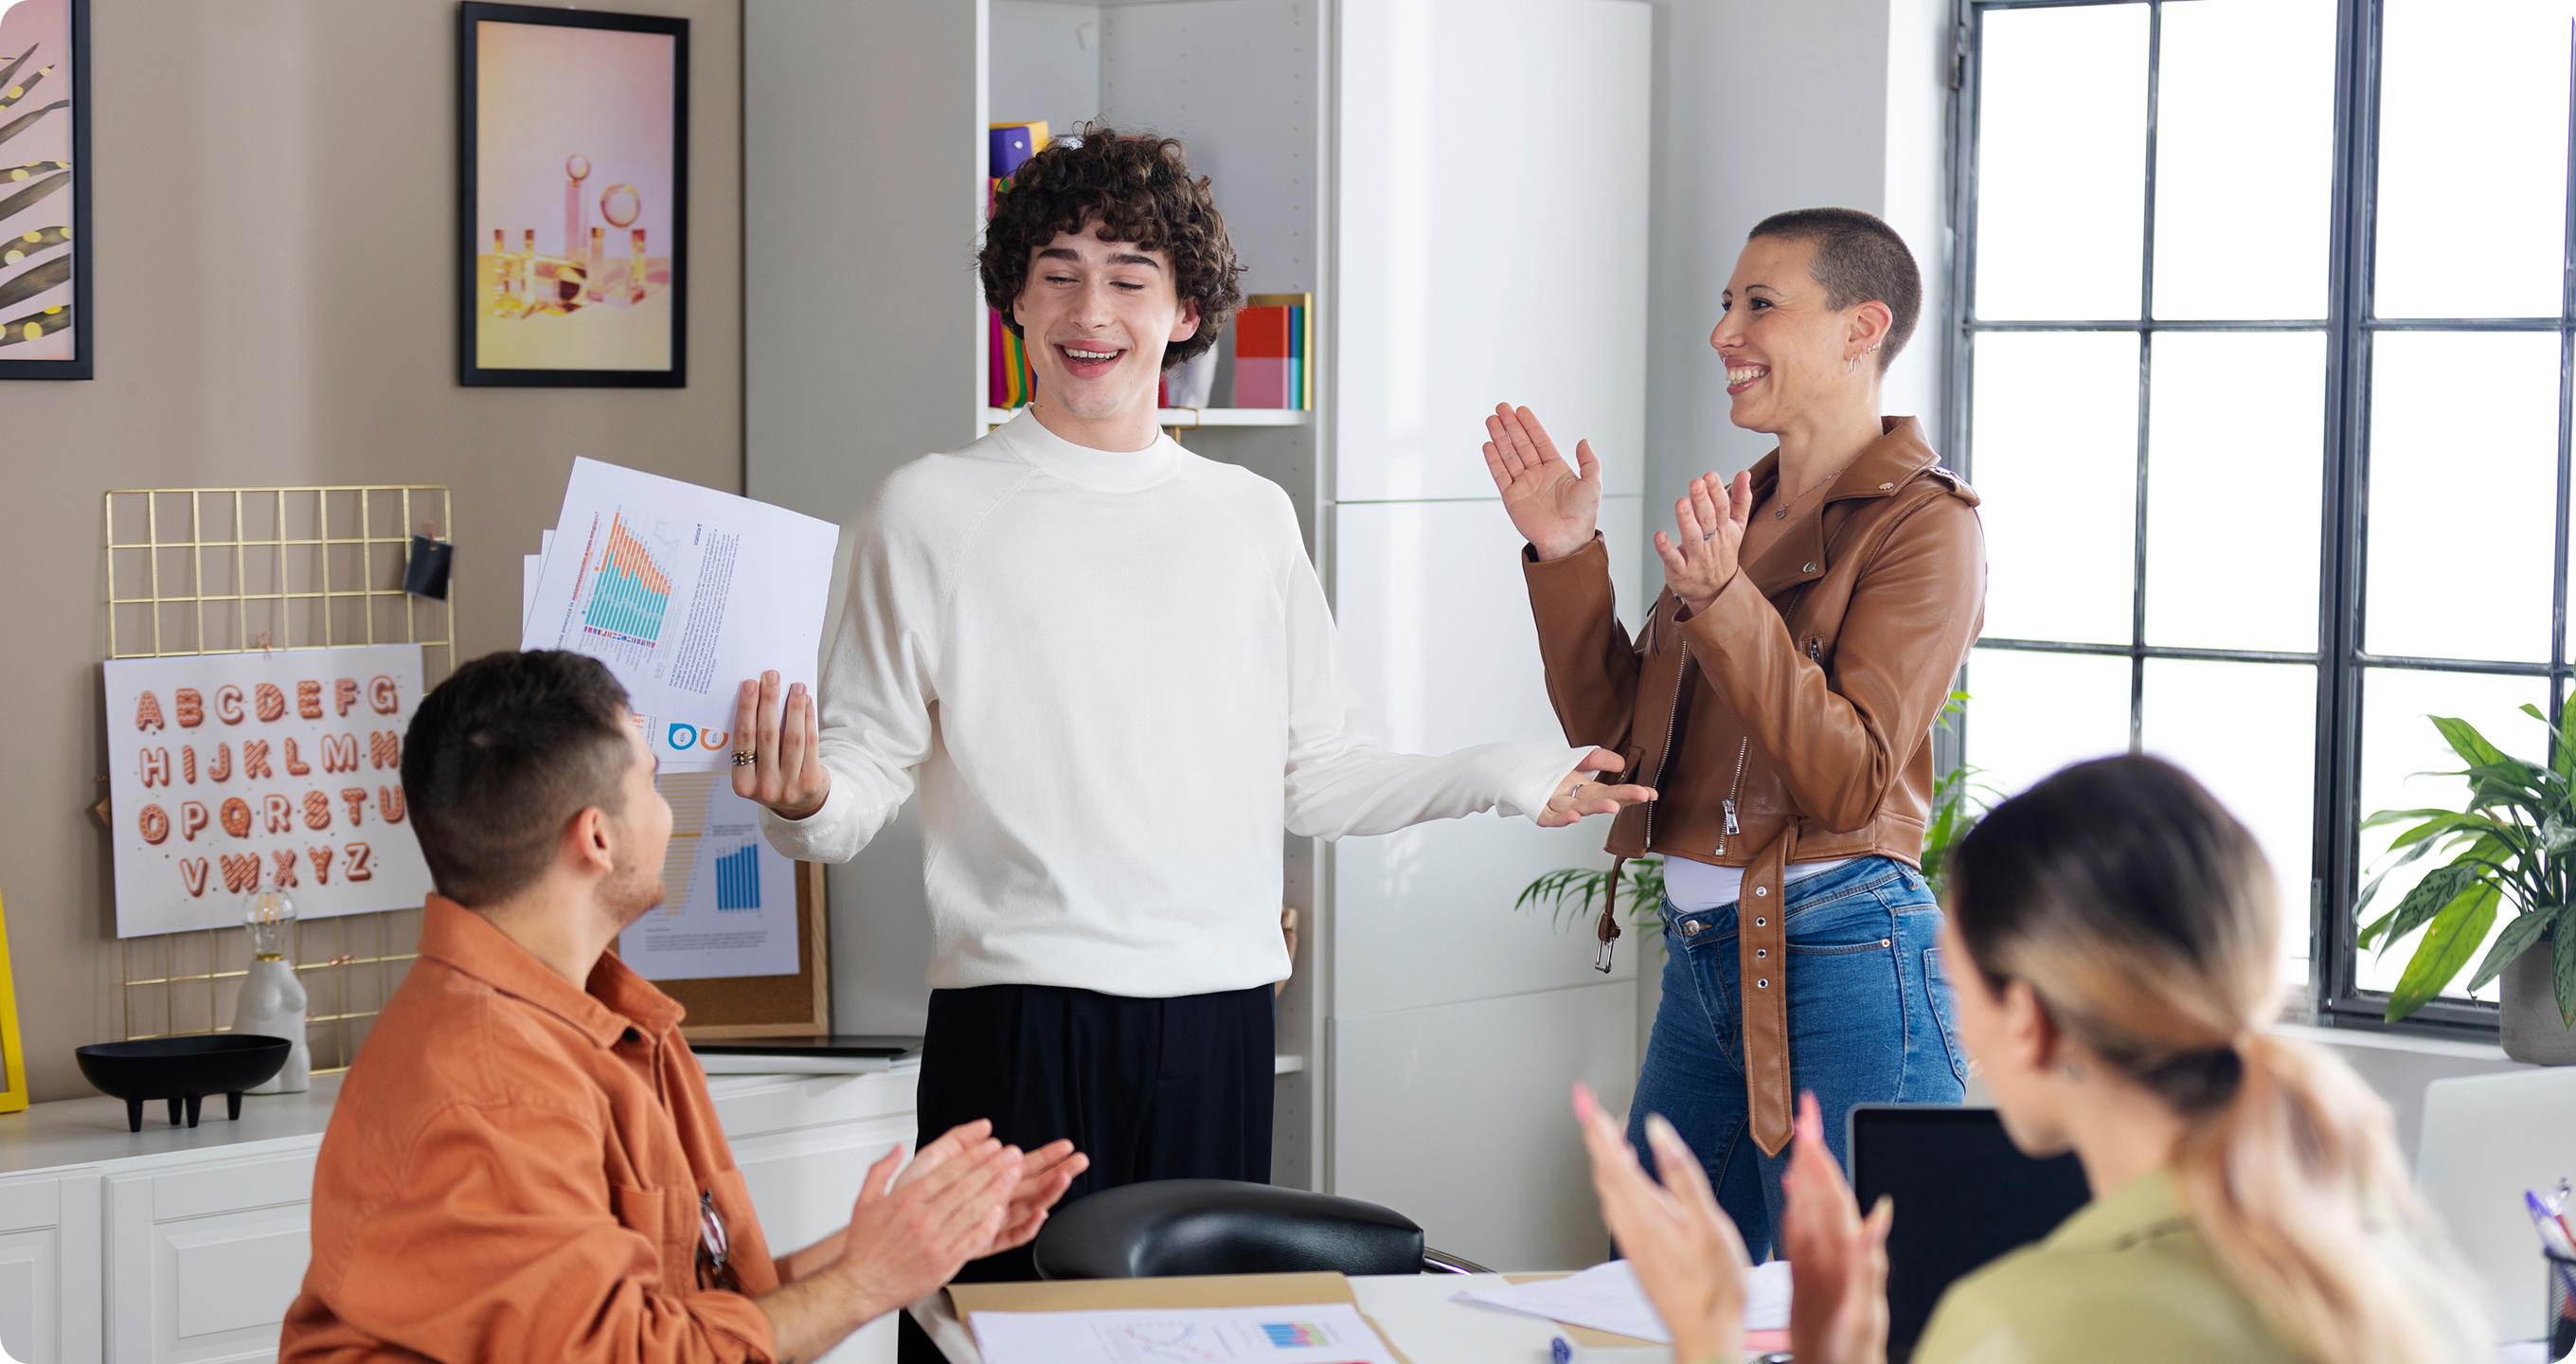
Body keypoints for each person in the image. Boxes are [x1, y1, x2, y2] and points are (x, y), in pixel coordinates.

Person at [728, 127, 1651, 1317]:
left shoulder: (1250, 517)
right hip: (1015, 1018)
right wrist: (804, 799)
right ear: (1013, 296)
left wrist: (1511, 773)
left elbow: (1318, 774)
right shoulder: (927, 510)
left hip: (1215, 1018)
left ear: (1184, 312)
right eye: (1055, 270)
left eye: (1129, 275)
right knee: (991, 1335)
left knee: (1195, 1341)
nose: (1088, 308)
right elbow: (855, 781)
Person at [279, 651, 1086, 1364]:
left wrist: (911, 1243)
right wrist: (867, 1280)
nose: (670, 813)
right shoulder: (494, 1090)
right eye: (654, 784)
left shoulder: (592, 1025)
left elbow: (680, 1311)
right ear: (597, 838)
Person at [1576, 755, 2492, 1364]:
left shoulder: (2019, 1329)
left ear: (2030, 1022)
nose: (1952, 1023)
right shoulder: (2415, 1297)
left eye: (1955, 979)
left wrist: (1706, 1335)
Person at [1485, 206, 1984, 1257]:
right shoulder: (1738, 511)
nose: (1722, 333)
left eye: (1759, 304)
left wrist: (1722, 604)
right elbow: (1624, 745)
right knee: (1650, 1296)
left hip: (1848, 953)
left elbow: (1847, 779)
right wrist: (1567, 556)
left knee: (1857, 1318)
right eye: (1725, 304)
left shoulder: (1926, 525)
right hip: (1710, 958)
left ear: (1861, 329)